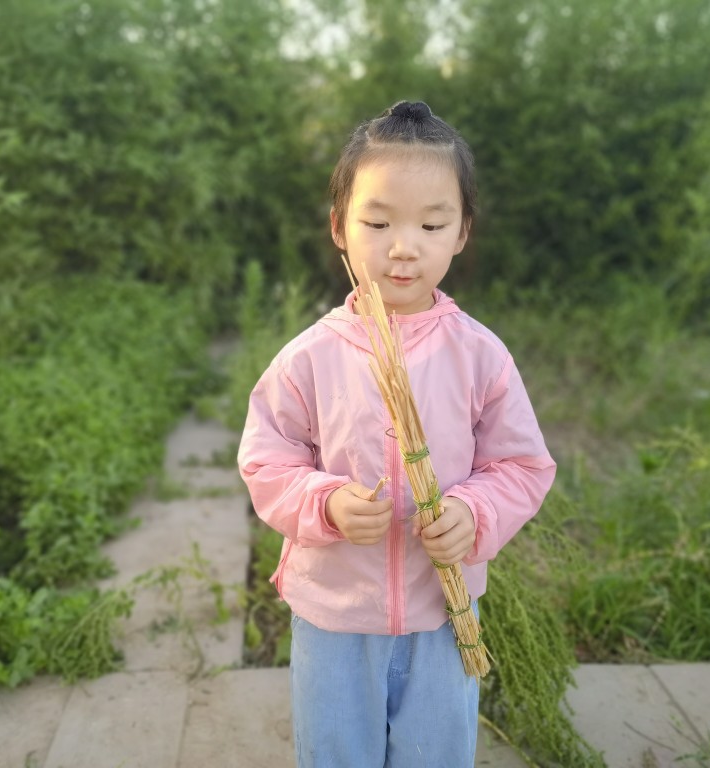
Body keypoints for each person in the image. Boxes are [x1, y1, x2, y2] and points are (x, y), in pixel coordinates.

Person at [237, 100, 556, 767]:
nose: (403, 246)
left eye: (431, 224)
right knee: (335, 752)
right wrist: (325, 502)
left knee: (433, 752)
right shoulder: (309, 357)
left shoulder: (480, 355)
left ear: (462, 232)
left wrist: (474, 512)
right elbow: (267, 462)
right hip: (334, 612)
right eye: (378, 222)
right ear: (339, 227)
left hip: (442, 608)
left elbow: (522, 465)